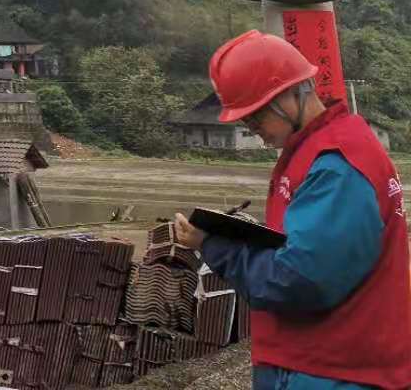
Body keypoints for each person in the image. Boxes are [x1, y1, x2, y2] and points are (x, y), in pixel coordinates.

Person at [171, 30, 411, 390]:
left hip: (334, 372)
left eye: (255, 118)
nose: (253, 130)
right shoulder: (316, 150)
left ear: (289, 94)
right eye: (245, 122)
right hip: (317, 363)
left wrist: (213, 245)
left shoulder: (336, 166)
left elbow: (300, 281)